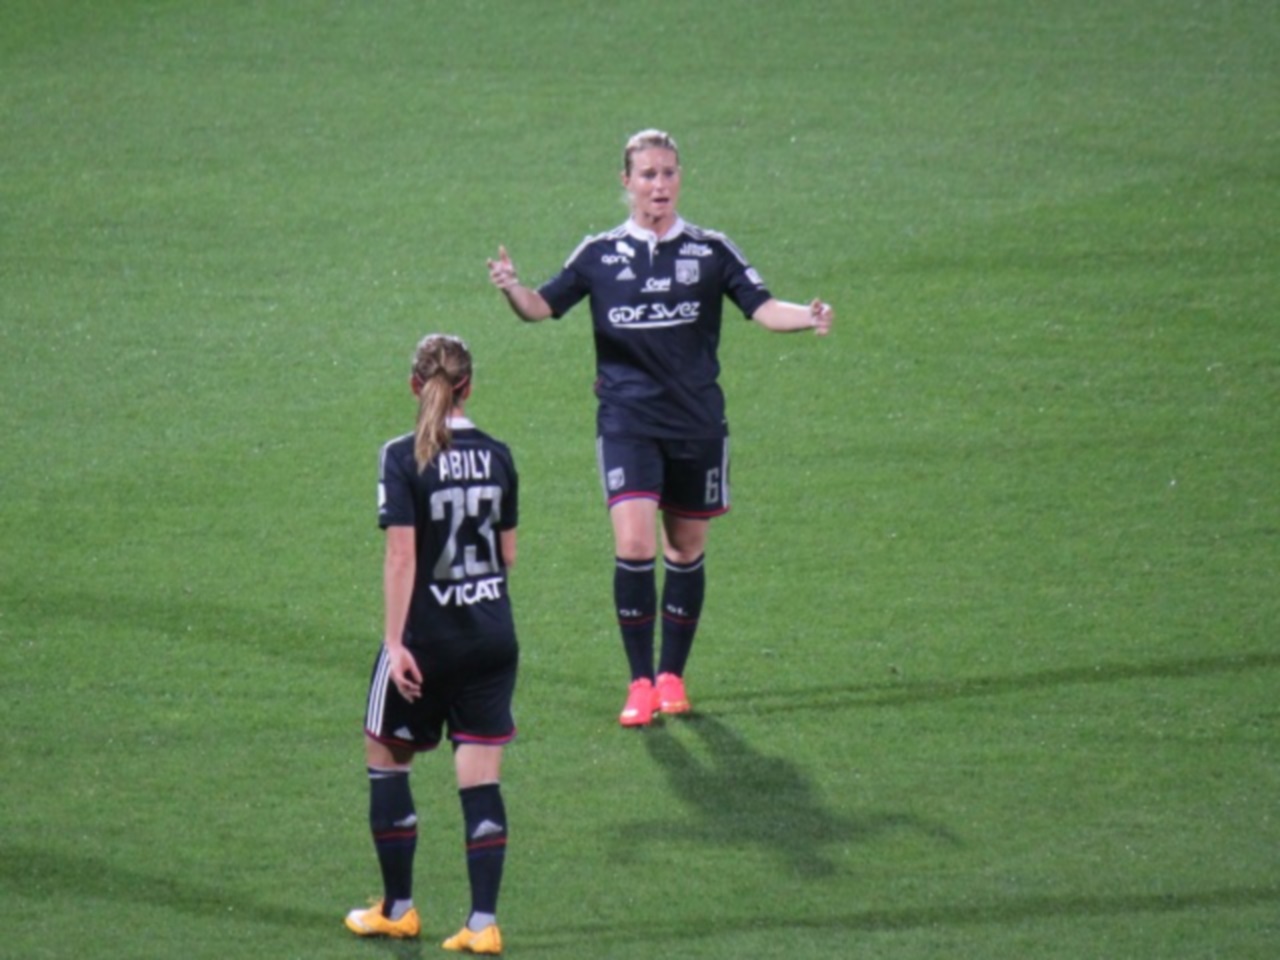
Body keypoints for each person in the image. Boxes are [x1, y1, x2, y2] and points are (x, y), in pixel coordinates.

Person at [487, 128, 832, 728]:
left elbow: (763, 308)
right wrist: (513, 288)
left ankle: (673, 675)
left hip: (697, 426)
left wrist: (809, 315)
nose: (660, 185)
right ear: (626, 182)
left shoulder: (711, 250)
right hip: (627, 422)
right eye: (648, 174)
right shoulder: (598, 255)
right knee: (636, 546)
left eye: (669, 173)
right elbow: (542, 307)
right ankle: (639, 681)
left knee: (685, 549)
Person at [344, 333, 519, 956]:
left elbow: (400, 555)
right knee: (480, 776)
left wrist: (395, 643)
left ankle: (398, 909)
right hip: (493, 637)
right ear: (469, 386)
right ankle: (482, 923)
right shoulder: (498, 455)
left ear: (416, 386)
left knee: (386, 753)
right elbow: (507, 554)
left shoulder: (401, 455)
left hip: (427, 639)